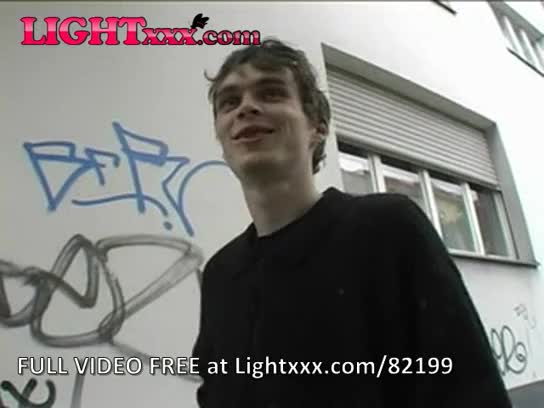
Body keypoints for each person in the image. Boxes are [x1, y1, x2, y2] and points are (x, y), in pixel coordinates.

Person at [191, 38, 512, 408]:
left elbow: (470, 391)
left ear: (317, 127)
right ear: (222, 137)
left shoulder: (388, 230)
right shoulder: (221, 274)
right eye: (229, 102)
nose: (246, 107)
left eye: (271, 92)